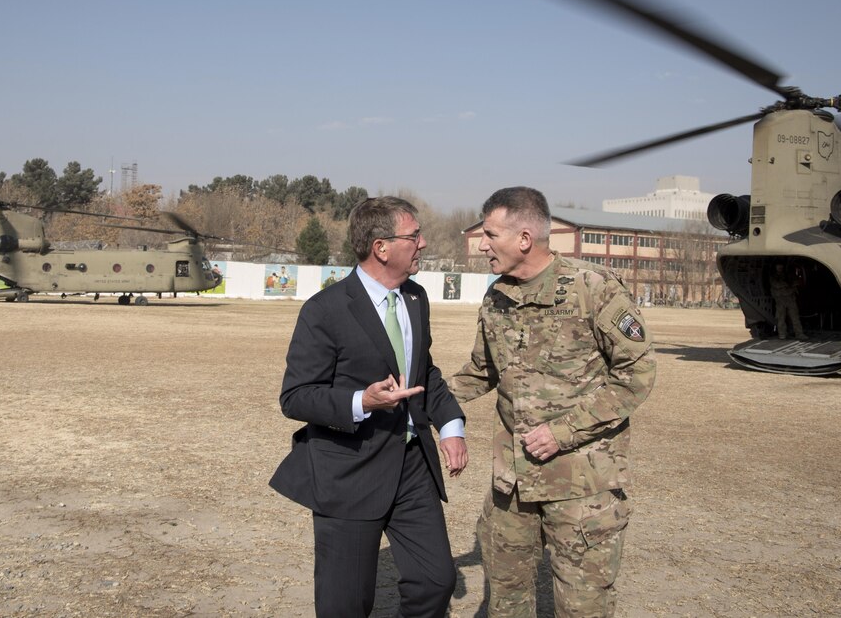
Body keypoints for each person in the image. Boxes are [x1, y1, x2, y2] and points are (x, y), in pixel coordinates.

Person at [446, 186, 656, 617]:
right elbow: (482, 372)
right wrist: (423, 400)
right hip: (512, 486)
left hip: (580, 487)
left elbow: (636, 374)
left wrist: (562, 432)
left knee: (582, 607)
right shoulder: (496, 296)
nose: (482, 244)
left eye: (490, 234)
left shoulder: (592, 288)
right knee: (506, 602)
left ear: (524, 238)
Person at [270, 196, 468, 618]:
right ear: (381, 247)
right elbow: (296, 395)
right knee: (345, 605)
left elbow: (424, 371)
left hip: (413, 466)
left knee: (436, 580)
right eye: (414, 235)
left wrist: (451, 426)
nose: (424, 243)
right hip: (350, 472)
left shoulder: (415, 298)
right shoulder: (325, 310)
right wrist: (362, 401)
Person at [769, 262, 806, 339]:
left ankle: (799, 334)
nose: (780, 266)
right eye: (778, 265)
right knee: (781, 318)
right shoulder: (773, 276)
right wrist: (788, 284)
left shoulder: (789, 275)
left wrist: (788, 284)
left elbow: (797, 282)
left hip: (790, 298)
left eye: (781, 265)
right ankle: (782, 334)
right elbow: (776, 284)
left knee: (795, 317)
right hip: (780, 299)